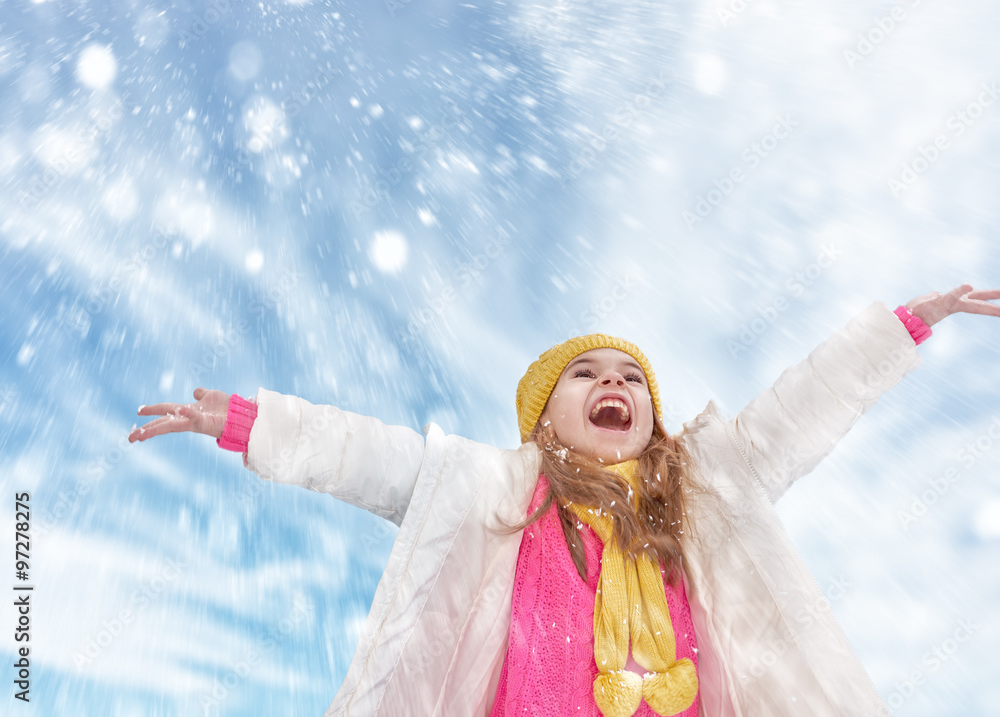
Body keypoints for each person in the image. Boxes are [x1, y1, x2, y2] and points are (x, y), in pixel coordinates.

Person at [129, 284, 1000, 716]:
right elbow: (370, 457)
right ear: (545, 419)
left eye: (631, 377)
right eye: (585, 374)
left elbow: (797, 410)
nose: (612, 382)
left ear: (652, 414)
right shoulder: (492, 489)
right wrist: (250, 422)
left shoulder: (704, 487)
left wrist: (906, 324)